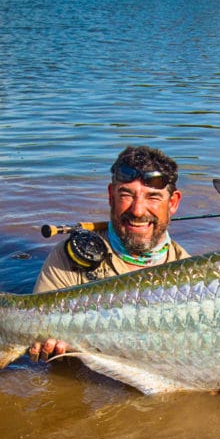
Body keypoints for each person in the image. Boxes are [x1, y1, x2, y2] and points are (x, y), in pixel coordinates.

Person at [28, 146, 191, 362]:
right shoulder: (69, 257)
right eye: (126, 195)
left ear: (173, 203)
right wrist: (45, 344)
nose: (138, 210)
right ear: (110, 196)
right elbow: (34, 331)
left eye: (153, 197)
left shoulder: (190, 274)